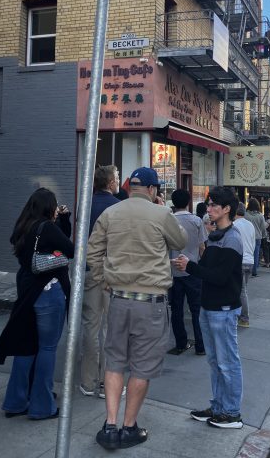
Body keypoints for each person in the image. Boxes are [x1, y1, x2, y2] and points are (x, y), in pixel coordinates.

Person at [87, 167, 187, 450]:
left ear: (130, 187)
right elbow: (180, 241)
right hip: (150, 303)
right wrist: (161, 210)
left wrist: (103, 280)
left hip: (118, 298)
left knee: (115, 360)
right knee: (141, 368)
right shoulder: (160, 214)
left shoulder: (111, 213)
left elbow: (93, 252)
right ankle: (128, 427)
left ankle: (109, 424)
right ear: (153, 190)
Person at [0, 188, 74, 420]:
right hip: (49, 291)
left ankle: (16, 401)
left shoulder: (23, 225)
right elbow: (69, 249)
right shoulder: (47, 228)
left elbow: (54, 243)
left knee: (25, 346)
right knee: (47, 348)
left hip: (27, 291)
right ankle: (42, 405)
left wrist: (63, 220)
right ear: (49, 207)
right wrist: (61, 222)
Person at [172, 187, 244, 429]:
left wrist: (189, 266)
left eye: (214, 205)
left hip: (223, 310)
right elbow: (207, 269)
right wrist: (190, 265)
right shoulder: (214, 235)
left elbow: (220, 276)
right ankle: (218, 407)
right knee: (215, 362)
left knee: (227, 362)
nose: (209, 209)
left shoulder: (232, 238)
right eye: (209, 204)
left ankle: (232, 412)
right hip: (209, 307)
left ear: (227, 209)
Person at [80, 165, 120, 398]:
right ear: (110, 182)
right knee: (111, 328)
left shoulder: (85, 203)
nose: (118, 181)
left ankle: (87, 381)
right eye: (116, 177)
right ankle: (108, 383)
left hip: (89, 269)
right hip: (112, 271)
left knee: (91, 327)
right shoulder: (117, 207)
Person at [169, 189, 208, 355]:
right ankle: (200, 345)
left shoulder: (168, 221)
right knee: (196, 310)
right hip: (193, 271)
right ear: (187, 202)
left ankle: (180, 343)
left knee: (176, 310)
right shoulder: (196, 221)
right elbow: (202, 247)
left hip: (173, 271)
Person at [234, 202, 256, 327]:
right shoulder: (250, 225)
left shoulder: (234, 225)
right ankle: (242, 317)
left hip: (240, 261)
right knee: (243, 290)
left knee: (240, 291)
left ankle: (244, 318)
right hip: (249, 261)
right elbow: (252, 244)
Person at [245, 198, 267, 276]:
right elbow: (263, 227)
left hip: (247, 237)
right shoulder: (260, 216)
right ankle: (254, 271)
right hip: (257, 237)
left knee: (247, 253)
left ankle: (246, 269)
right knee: (256, 254)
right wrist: (264, 235)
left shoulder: (245, 215)